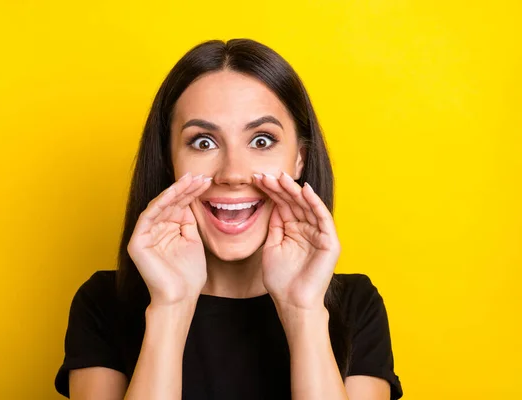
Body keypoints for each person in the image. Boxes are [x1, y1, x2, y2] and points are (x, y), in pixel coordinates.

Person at [54, 38, 403, 400]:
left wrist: (303, 312)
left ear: (299, 159)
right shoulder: (103, 303)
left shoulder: (356, 305)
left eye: (262, 141)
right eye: (203, 142)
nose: (233, 174)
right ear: (169, 160)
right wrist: (171, 308)